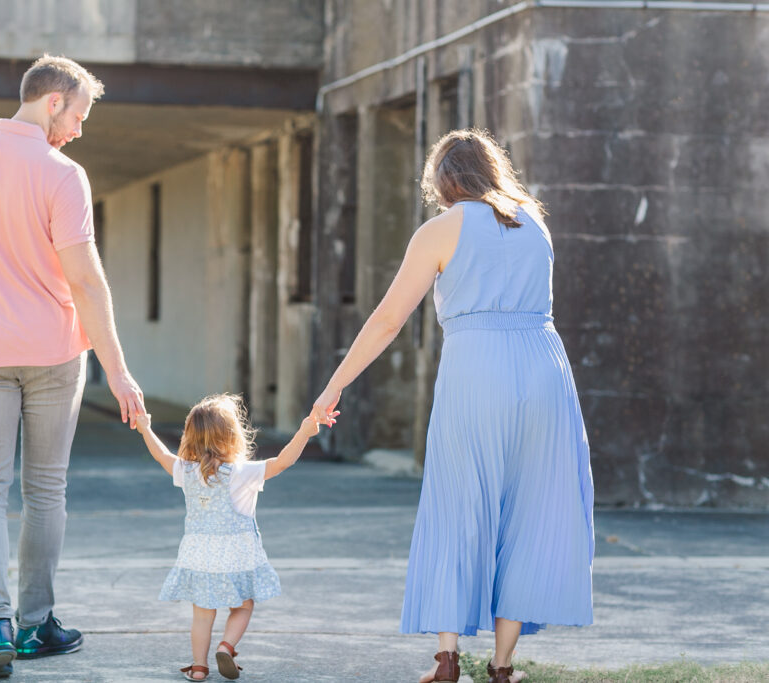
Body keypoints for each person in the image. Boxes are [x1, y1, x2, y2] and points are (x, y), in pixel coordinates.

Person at [309, 129, 594, 683]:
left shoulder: (441, 230)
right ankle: (504, 665)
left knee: (458, 504)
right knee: (531, 511)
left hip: (477, 367)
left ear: (444, 178)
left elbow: (389, 320)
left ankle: (446, 657)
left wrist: (334, 385)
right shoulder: (535, 224)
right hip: (545, 367)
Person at [0, 55, 146, 680]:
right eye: (77, 115)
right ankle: (35, 625)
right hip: (54, 352)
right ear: (53, 103)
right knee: (45, 488)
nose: (78, 129)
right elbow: (84, 278)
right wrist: (120, 370)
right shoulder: (63, 174)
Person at [134, 395, 334, 681]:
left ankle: (199, 667)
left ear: (190, 436)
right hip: (236, 553)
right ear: (233, 436)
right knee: (243, 605)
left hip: (199, 554)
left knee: (202, 614)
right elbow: (283, 462)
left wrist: (145, 429)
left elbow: (161, 455)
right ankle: (226, 647)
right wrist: (305, 431)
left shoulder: (186, 470)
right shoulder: (241, 472)